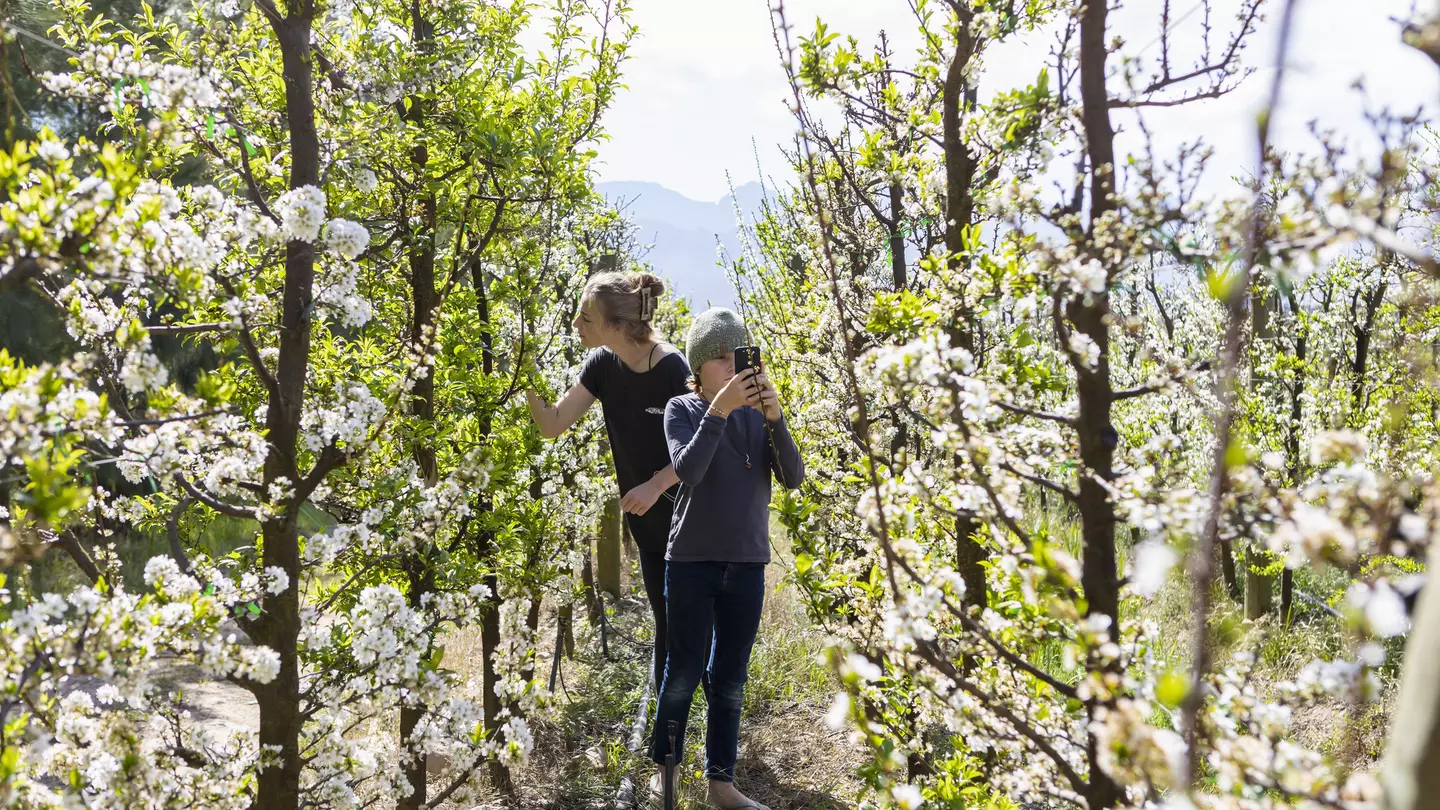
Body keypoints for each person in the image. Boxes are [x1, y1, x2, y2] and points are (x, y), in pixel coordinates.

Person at [649, 308, 804, 810]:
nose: (732, 366)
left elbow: (793, 477)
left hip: (747, 565)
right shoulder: (682, 409)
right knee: (683, 671)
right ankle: (667, 770)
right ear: (698, 366)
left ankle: (721, 784)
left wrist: (776, 419)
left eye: (738, 356)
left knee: (731, 678)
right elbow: (689, 470)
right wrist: (718, 411)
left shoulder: (759, 418)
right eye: (720, 358)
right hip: (691, 564)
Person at [522, 271, 690, 692]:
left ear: (616, 326)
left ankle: (683, 716)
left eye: (586, 318)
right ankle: (670, 718)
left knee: (684, 626)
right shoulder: (601, 365)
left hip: (691, 519)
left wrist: (656, 484)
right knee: (666, 621)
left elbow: (705, 445)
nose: (576, 324)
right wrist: (527, 372)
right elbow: (552, 423)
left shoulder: (673, 368)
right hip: (646, 521)